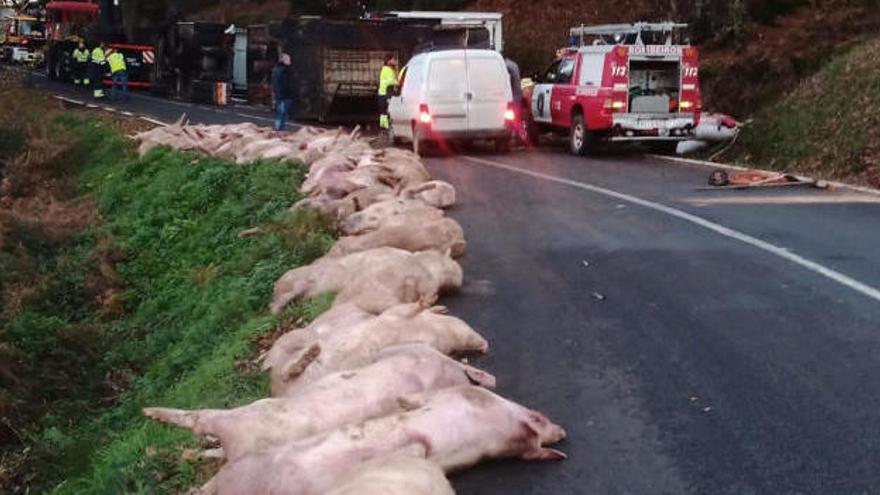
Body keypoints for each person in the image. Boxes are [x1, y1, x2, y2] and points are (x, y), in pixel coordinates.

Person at [504, 57, 528, 144]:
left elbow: (509, 81)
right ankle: (520, 138)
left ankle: (518, 137)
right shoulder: (513, 65)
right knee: (517, 117)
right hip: (517, 94)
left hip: (512, 95)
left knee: (512, 118)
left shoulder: (506, 66)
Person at [377, 54, 399, 134]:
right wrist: (397, 82)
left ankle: (383, 127)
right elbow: (392, 81)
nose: (395, 61)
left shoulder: (386, 69)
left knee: (383, 112)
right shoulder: (388, 70)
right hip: (386, 93)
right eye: (393, 59)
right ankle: (386, 127)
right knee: (386, 111)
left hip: (382, 93)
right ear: (389, 61)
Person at [272, 53, 293, 132]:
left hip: (280, 94)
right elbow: (286, 83)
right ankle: (279, 130)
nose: (290, 61)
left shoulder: (276, 69)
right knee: (282, 114)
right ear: (284, 61)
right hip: (284, 95)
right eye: (288, 60)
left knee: (281, 113)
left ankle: (279, 129)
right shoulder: (284, 70)